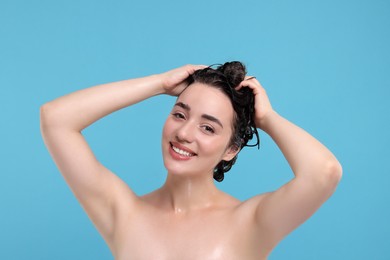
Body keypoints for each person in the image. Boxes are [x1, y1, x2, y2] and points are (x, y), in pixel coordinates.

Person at [40, 61, 342, 260]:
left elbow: (324, 172)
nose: (184, 133)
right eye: (179, 114)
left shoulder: (251, 221)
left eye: (208, 127)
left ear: (231, 149)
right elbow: (55, 118)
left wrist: (266, 118)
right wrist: (158, 83)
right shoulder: (122, 212)